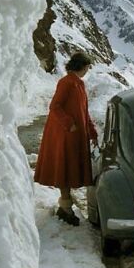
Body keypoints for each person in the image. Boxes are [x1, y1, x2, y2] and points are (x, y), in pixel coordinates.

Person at [34, 52, 98, 226]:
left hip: (74, 134)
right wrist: (69, 124)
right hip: (65, 134)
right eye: (87, 67)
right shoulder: (66, 82)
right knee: (65, 168)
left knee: (69, 168)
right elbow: (55, 106)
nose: (87, 70)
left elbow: (84, 112)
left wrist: (92, 132)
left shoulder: (79, 84)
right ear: (81, 66)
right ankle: (65, 208)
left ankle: (65, 207)